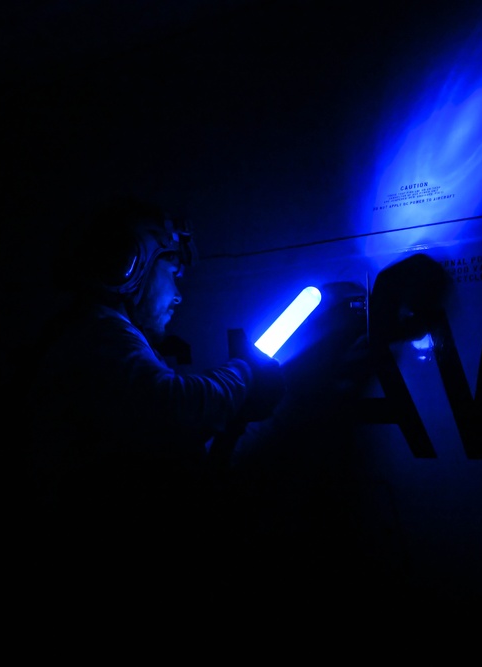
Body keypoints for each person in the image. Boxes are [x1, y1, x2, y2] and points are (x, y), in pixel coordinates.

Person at [16, 196, 286, 606]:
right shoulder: (99, 335)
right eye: (173, 273)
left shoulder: (102, 337)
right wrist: (244, 373)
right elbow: (172, 410)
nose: (179, 295)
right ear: (131, 264)